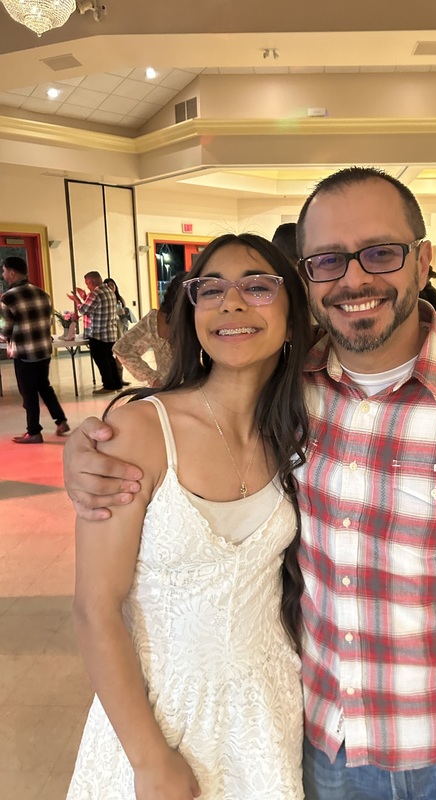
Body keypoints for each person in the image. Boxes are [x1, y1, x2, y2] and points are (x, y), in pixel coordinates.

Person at [64, 168, 436, 800]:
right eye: (328, 261)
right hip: (323, 740)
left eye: (381, 253)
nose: (355, 278)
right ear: (307, 282)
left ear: (422, 264)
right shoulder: (294, 393)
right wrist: (88, 448)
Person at [66, 234, 311, 800]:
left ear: (293, 318)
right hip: (156, 715)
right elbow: (93, 608)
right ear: (191, 312)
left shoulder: (298, 427)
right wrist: (150, 760)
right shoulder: (140, 431)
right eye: (212, 289)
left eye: (257, 286)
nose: (232, 303)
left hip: (268, 710)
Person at [0, 256, 69, 443]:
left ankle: (34, 432)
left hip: (24, 353)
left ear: (12, 272)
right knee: (44, 386)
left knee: (28, 392)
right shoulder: (42, 293)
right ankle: (61, 421)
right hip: (43, 350)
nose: (3, 274)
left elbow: (4, 330)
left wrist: (4, 338)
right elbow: (48, 322)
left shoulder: (8, 298)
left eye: (4, 271)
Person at [113, 273, 183, 387]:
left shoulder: (202, 319)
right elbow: (122, 348)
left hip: (199, 390)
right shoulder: (156, 320)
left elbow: (122, 349)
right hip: (170, 389)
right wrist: (152, 379)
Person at [73, 271, 123, 395]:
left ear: (92, 282)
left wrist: (77, 300)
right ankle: (117, 384)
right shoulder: (109, 291)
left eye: (87, 284)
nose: (87, 286)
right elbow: (95, 308)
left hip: (98, 334)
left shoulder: (95, 293)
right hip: (110, 332)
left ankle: (109, 386)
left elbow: (84, 310)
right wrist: (85, 297)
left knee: (102, 361)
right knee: (109, 360)